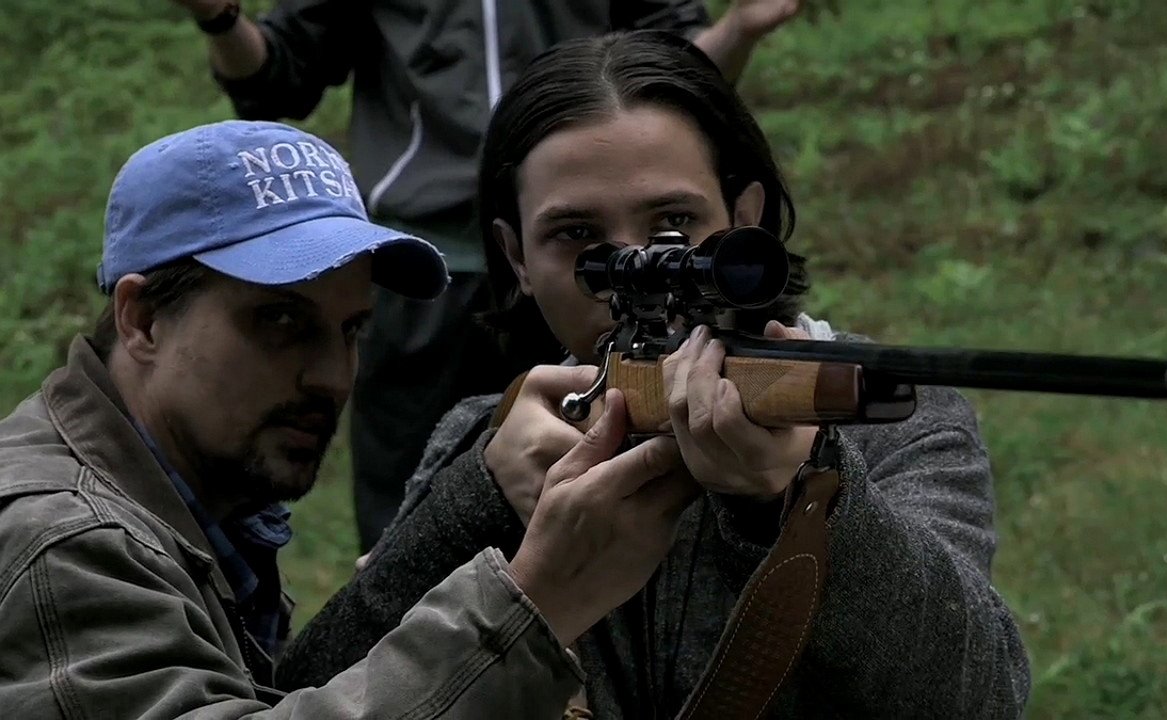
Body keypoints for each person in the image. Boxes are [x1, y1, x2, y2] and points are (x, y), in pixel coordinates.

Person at [273, 31, 1034, 718]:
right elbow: (307, 690)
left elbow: (979, 694)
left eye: (674, 227)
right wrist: (478, 499)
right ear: (516, 259)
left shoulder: (893, 416)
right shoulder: (489, 436)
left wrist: (801, 496)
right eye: (578, 238)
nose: (638, 270)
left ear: (747, 221)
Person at [0, 119, 704, 718]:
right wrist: (538, 599)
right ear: (143, 318)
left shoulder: (197, 499)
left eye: (351, 330)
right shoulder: (65, 543)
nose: (334, 377)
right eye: (279, 321)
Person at [170, 0, 810, 553]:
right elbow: (278, 79)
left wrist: (741, 28)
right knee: (433, 491)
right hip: (423, 271)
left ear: (743, 215)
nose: (630, 255)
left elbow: (671, 80)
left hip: (552, 255)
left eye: (672, 221)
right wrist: (221, 16)